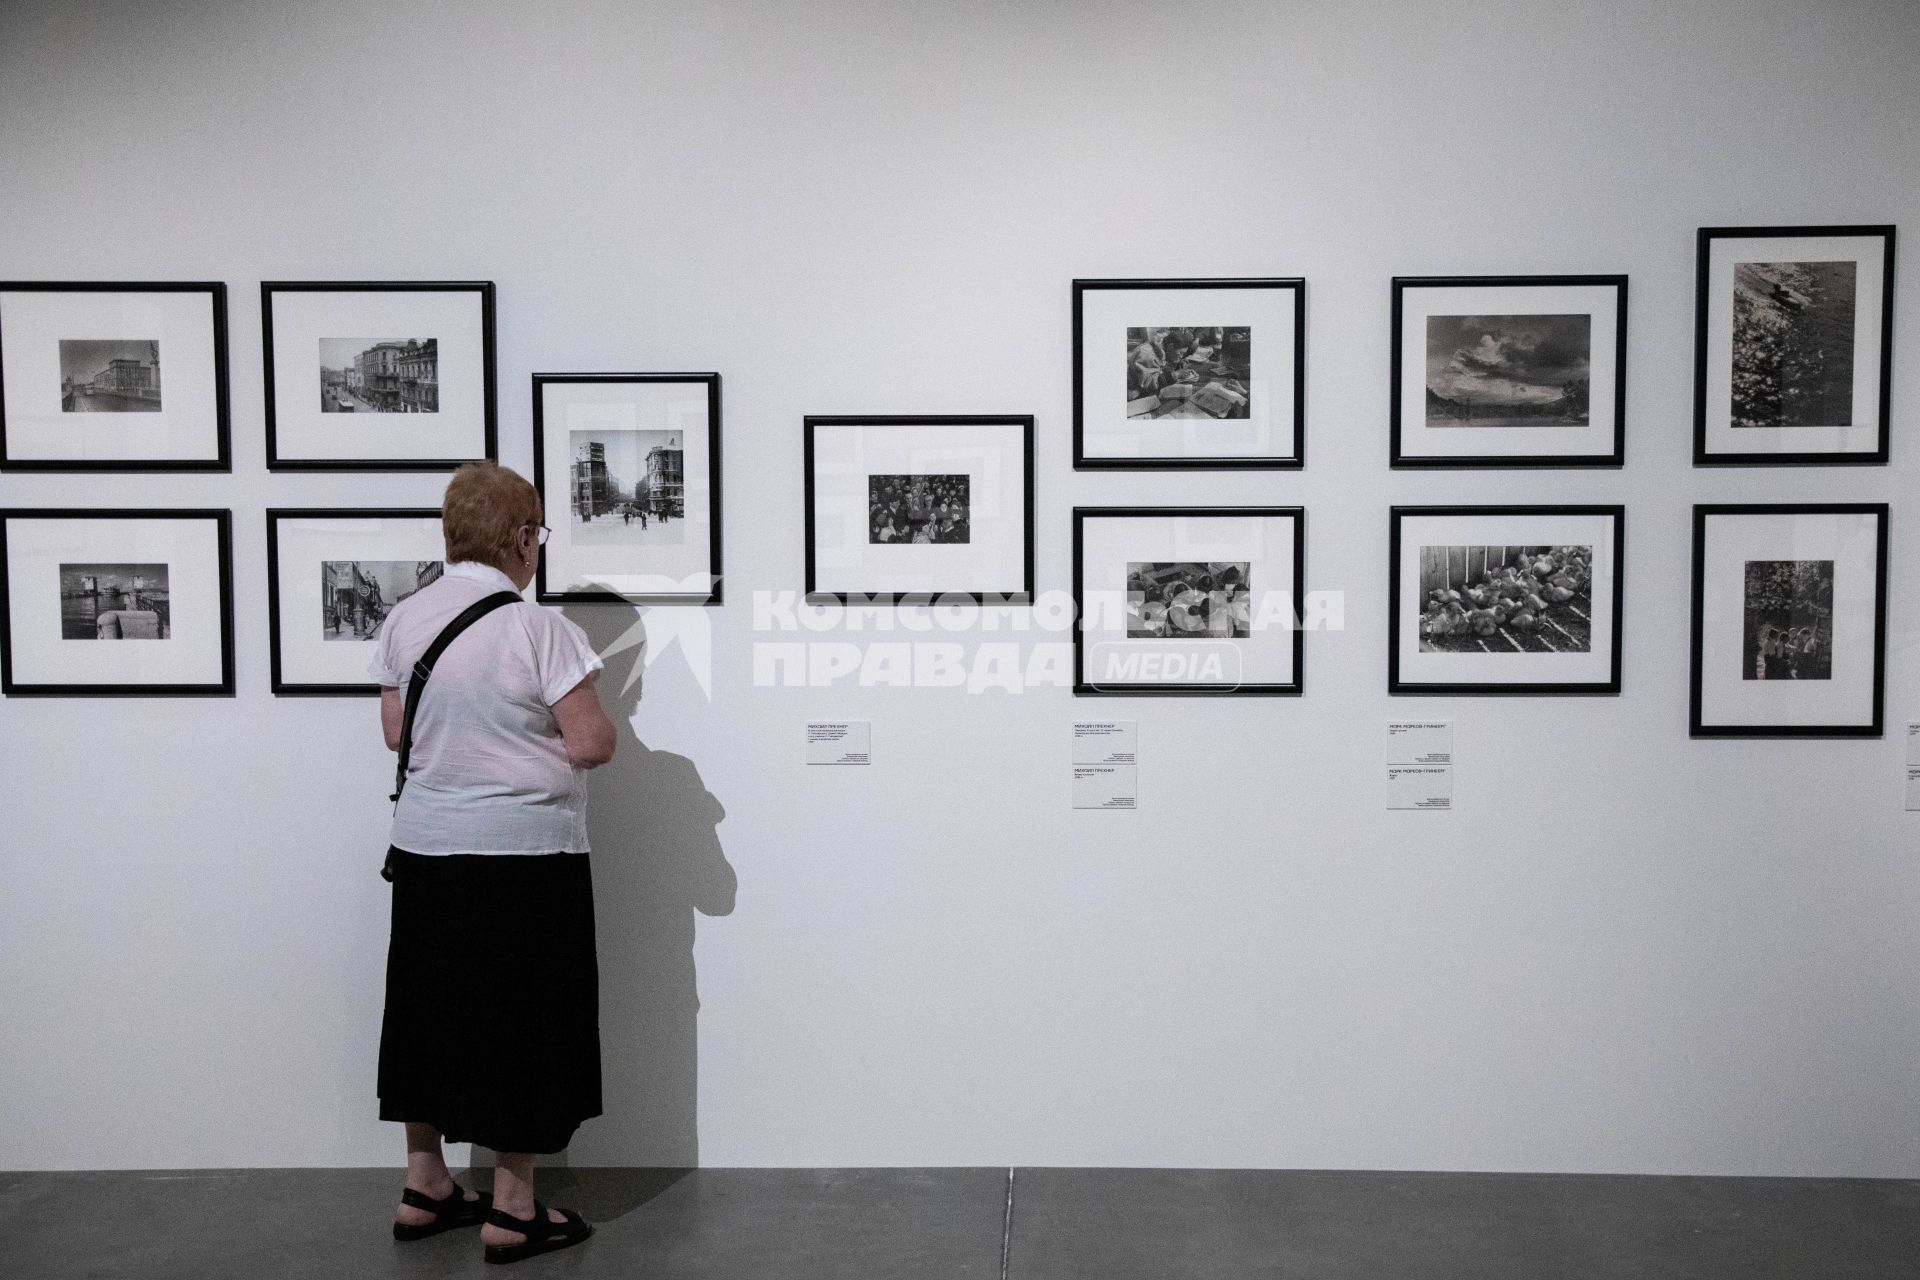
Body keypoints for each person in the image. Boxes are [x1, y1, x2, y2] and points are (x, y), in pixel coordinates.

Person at [370, 461, 616, 1265]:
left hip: (427, 849)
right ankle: (513, 1210)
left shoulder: (405, 620)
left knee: (426, 1011)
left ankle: (426, 1185)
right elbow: (590, 742)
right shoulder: (538, 629)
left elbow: (397, 735)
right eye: (537, 534)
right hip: (523, 858)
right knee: (527, 1022)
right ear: (520, 537)